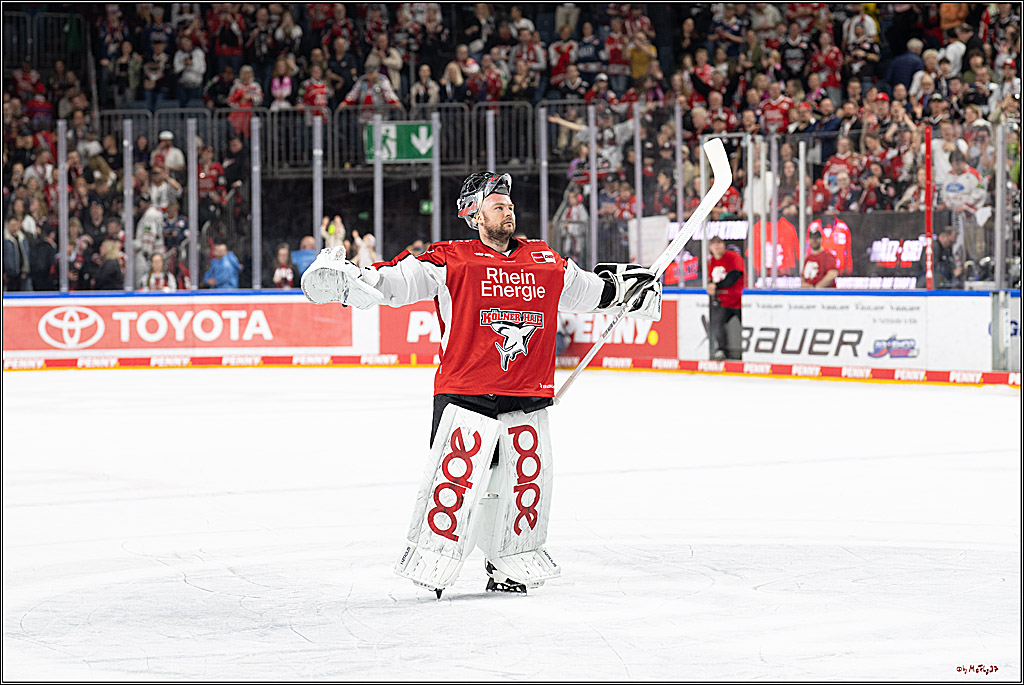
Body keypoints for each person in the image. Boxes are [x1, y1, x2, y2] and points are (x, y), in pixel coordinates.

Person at [299, 170, 661, 596]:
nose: (507, 209)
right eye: (496, 204)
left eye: (509, 204)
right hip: (464, 393)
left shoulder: (543, 260)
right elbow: (397, 282)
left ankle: (507, 564)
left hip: (525, 396)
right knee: (457, 483)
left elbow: (590, 291)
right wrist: (356, 279)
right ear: (473, 214)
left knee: (518, 486)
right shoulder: (451, 258)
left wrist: (627, 290)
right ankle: (436, 558)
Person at [706, 236, 743, 360]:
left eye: (719, 243)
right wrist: (711, 285)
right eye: (714, 243)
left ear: (724, 245)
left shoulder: (732, 256)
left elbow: (735, 275)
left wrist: (716, 285)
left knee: (746, 325)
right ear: (710, 247)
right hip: (724, 302)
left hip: (740, 300)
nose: (717, 246)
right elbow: (711, 279)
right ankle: (722, 350)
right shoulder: (710, 262)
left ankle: (747, 351)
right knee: (718, 324)